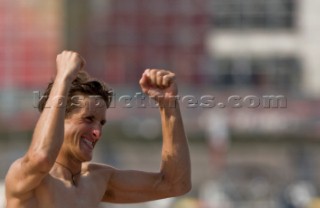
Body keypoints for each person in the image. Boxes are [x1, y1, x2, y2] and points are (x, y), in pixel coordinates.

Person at [5, 50, 191, 207]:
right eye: (88, 119)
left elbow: (175, 184)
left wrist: (168, 106)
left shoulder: (97, 180)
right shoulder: (28, 177)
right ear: (58, 120)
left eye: (101, 123)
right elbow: (41, 158)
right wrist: (64, 77)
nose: (97, 132)